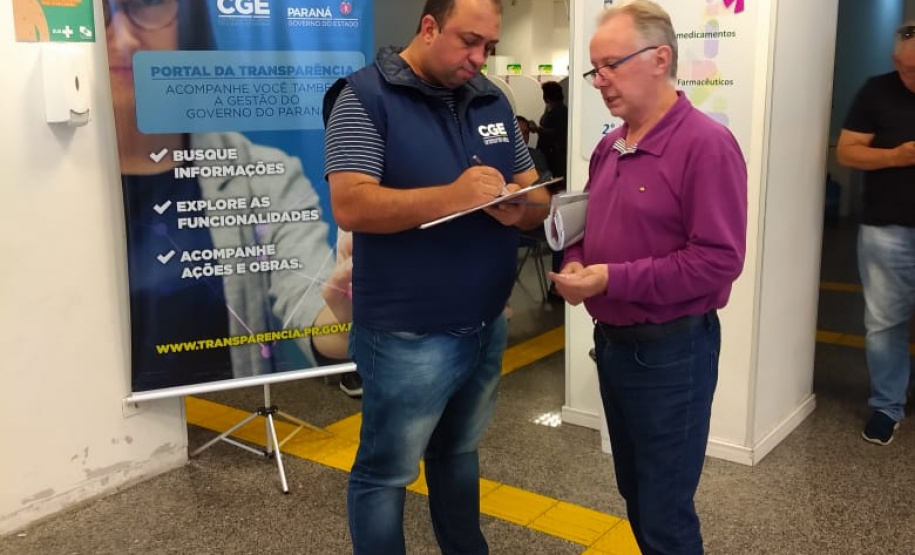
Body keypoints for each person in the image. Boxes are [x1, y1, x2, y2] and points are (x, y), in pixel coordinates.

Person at [322, 0, 549, 552]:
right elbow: (350, 205)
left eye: (489, 46)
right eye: (468, 42)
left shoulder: (492, 98)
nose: (479, 57)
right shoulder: (364, 97)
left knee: (458, 451)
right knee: (387, 472)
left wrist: (521, 208)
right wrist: (450, 198)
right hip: (407, 330)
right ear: (429, 27)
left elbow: (538, 195)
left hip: (485, 319)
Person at [549, 2, 746, 554]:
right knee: (635, 493)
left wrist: (610, 279)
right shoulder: (611, 145)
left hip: (671, 355)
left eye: (611, 64)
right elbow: (587, 225)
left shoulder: (706, 145)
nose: (600, 81)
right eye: (594, 69)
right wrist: (575, 261)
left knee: (664, 512)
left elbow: (718, 260)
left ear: (661, 58)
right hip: (613, 347)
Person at [105, 0, 351, 391]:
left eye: (148, 5)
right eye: (99, 15)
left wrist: (344, 318)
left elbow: (305, 298)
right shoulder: (38, 193)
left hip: (233, 425)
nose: (122, 37)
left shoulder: (264, 176)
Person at [837, 22, 915, 446]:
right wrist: (896, 156)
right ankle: (887, 405)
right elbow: (848, 151)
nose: (912, 78)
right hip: (887, 230)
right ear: (895, 62)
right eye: (907, 70)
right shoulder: (877, 91)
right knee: (885, 323)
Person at [530, 80, 568, 179]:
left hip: (554, 154)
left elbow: (558, 131)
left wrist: (537, 129)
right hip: (548, 151)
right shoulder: (550, 108)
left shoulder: (560, 111)